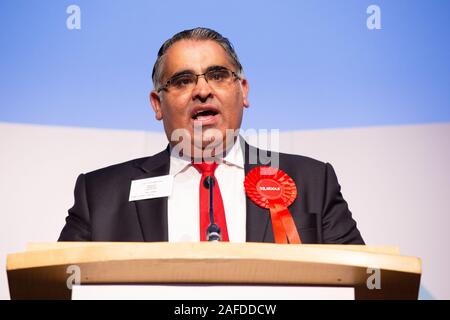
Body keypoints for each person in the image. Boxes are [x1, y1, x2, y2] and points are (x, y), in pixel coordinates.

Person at [59, 27, 364, 244]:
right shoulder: (100, 194)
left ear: (242, 91)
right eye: (182, 81)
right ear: (157, 104)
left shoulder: (312, 181)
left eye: (218, 76)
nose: (202, 91)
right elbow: (57, 284)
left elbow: (361, 283)